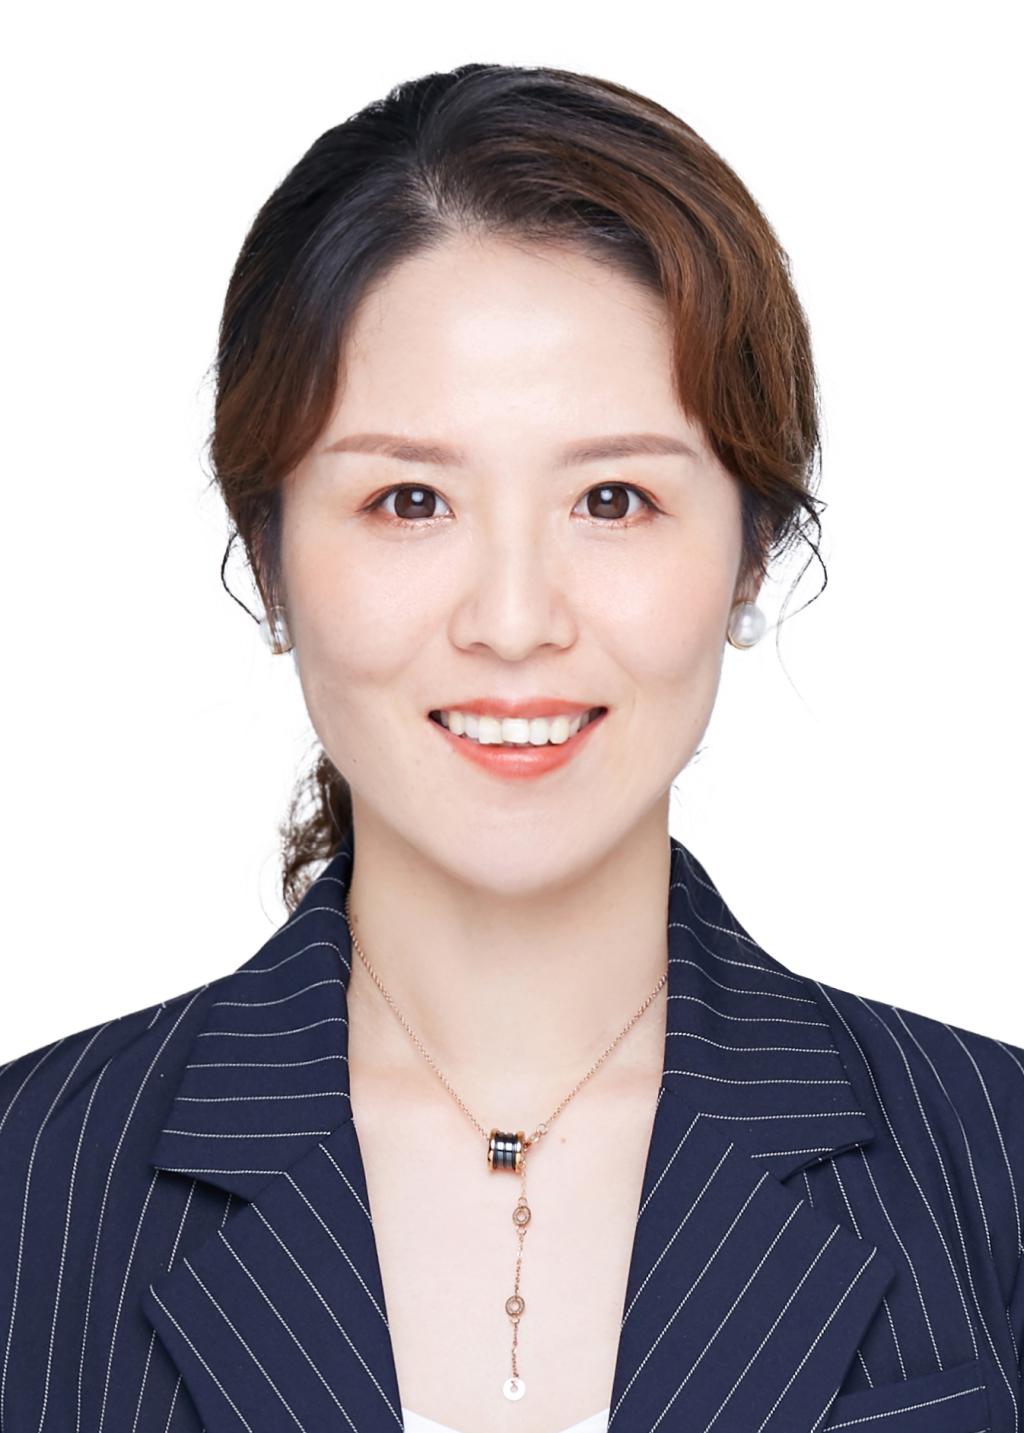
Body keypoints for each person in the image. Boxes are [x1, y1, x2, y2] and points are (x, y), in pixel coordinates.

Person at [0, 61, 1021, 1433]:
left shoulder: (992, 1162)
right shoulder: (30, 1179)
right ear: (269, 555)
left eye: (614, 498)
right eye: (410, 500)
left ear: (752, 550)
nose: (515, 619)